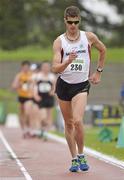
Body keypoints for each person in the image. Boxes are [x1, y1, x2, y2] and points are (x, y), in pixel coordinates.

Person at [52, 6, 106, 172]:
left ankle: (82, 154)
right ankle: (74, 158)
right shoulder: (59, 41)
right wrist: (68, 61)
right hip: (64, 86)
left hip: (81, 85)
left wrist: (98, 72)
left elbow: (103, 50)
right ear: (65, 21)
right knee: (68, 124)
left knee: (77, 120)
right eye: (70, 22)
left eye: (76, 22)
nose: (73, 25)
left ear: (79, 21)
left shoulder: (88, 37)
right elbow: (55, 68)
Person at [33, 61, 56, 138]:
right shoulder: (37, 76)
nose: (46, 68)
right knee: (42, 116)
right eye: (44, 67)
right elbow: (34, 86)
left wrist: (53, 91)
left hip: (49, 97)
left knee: (49, 116)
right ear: (42, 67)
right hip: (41, 97)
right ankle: (41, 128)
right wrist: (35, 95)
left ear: (50, 68)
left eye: (47, 67)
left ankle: (46, 131)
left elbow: (55, 87)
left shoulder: (52, 77)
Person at [12, 61, 33, 138]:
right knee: (22, 113)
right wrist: (19, 84)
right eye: (24, 67)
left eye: (27, 67)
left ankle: (29, 129)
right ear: (22, 67)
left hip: (29, 97)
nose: (26, 68)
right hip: (21, 96)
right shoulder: (19, 75)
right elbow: (14, 86)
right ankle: (23, 129)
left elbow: (35, 84)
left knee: (28, 112)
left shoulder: (32, 75)